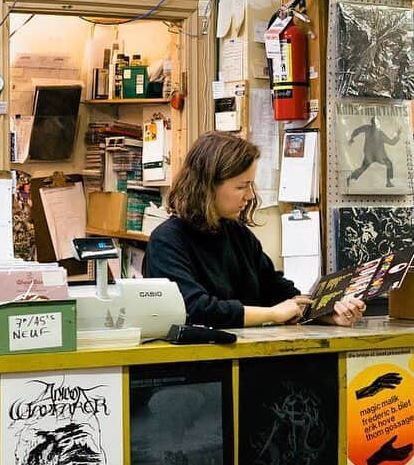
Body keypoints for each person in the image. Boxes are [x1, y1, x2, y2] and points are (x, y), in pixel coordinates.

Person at [144, 132, 365, 329]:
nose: (250, 195)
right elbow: (193, 308)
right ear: (207, 187)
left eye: (251, 185)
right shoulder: (168, 241)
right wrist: (271, 314)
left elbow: (279, 292)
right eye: (241, 186)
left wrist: (327, 315)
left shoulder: (237, 234)